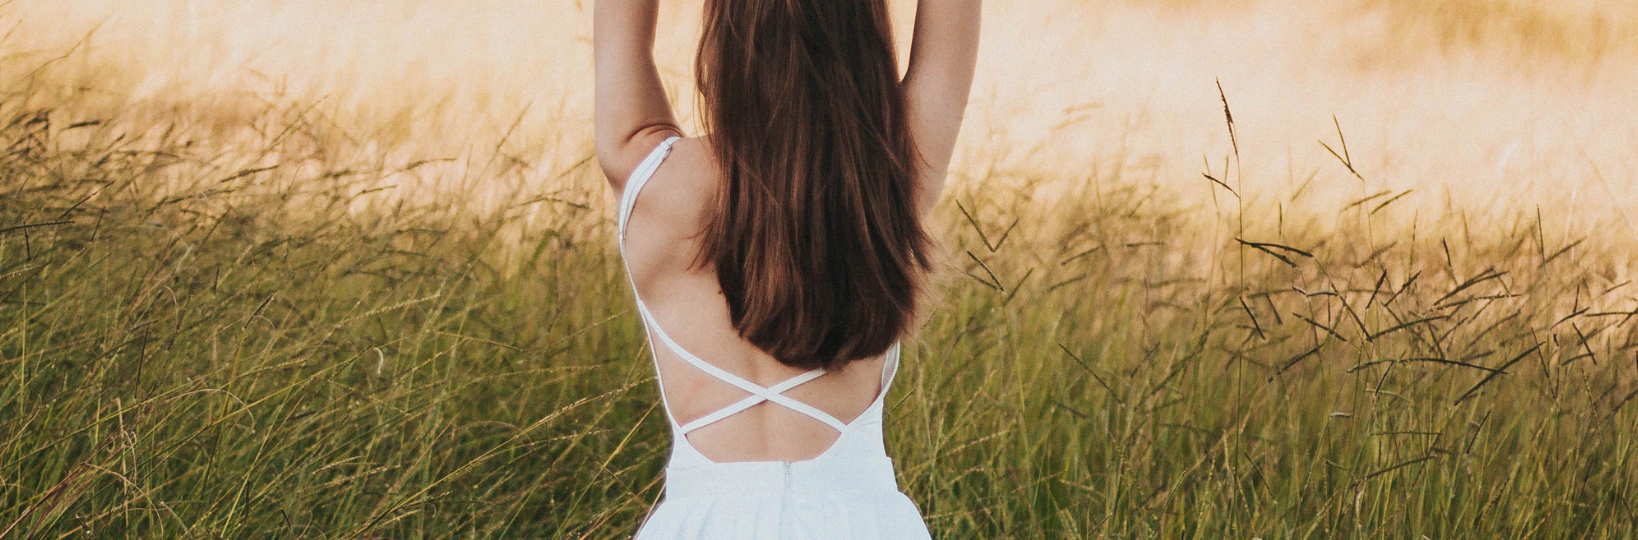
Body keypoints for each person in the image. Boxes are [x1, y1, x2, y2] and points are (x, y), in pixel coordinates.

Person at [594, 0, 980, 537]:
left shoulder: (653, 180)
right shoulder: (892, 178)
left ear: (723, 40)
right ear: (864, 39)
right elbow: (948, 40)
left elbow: (620, 34)